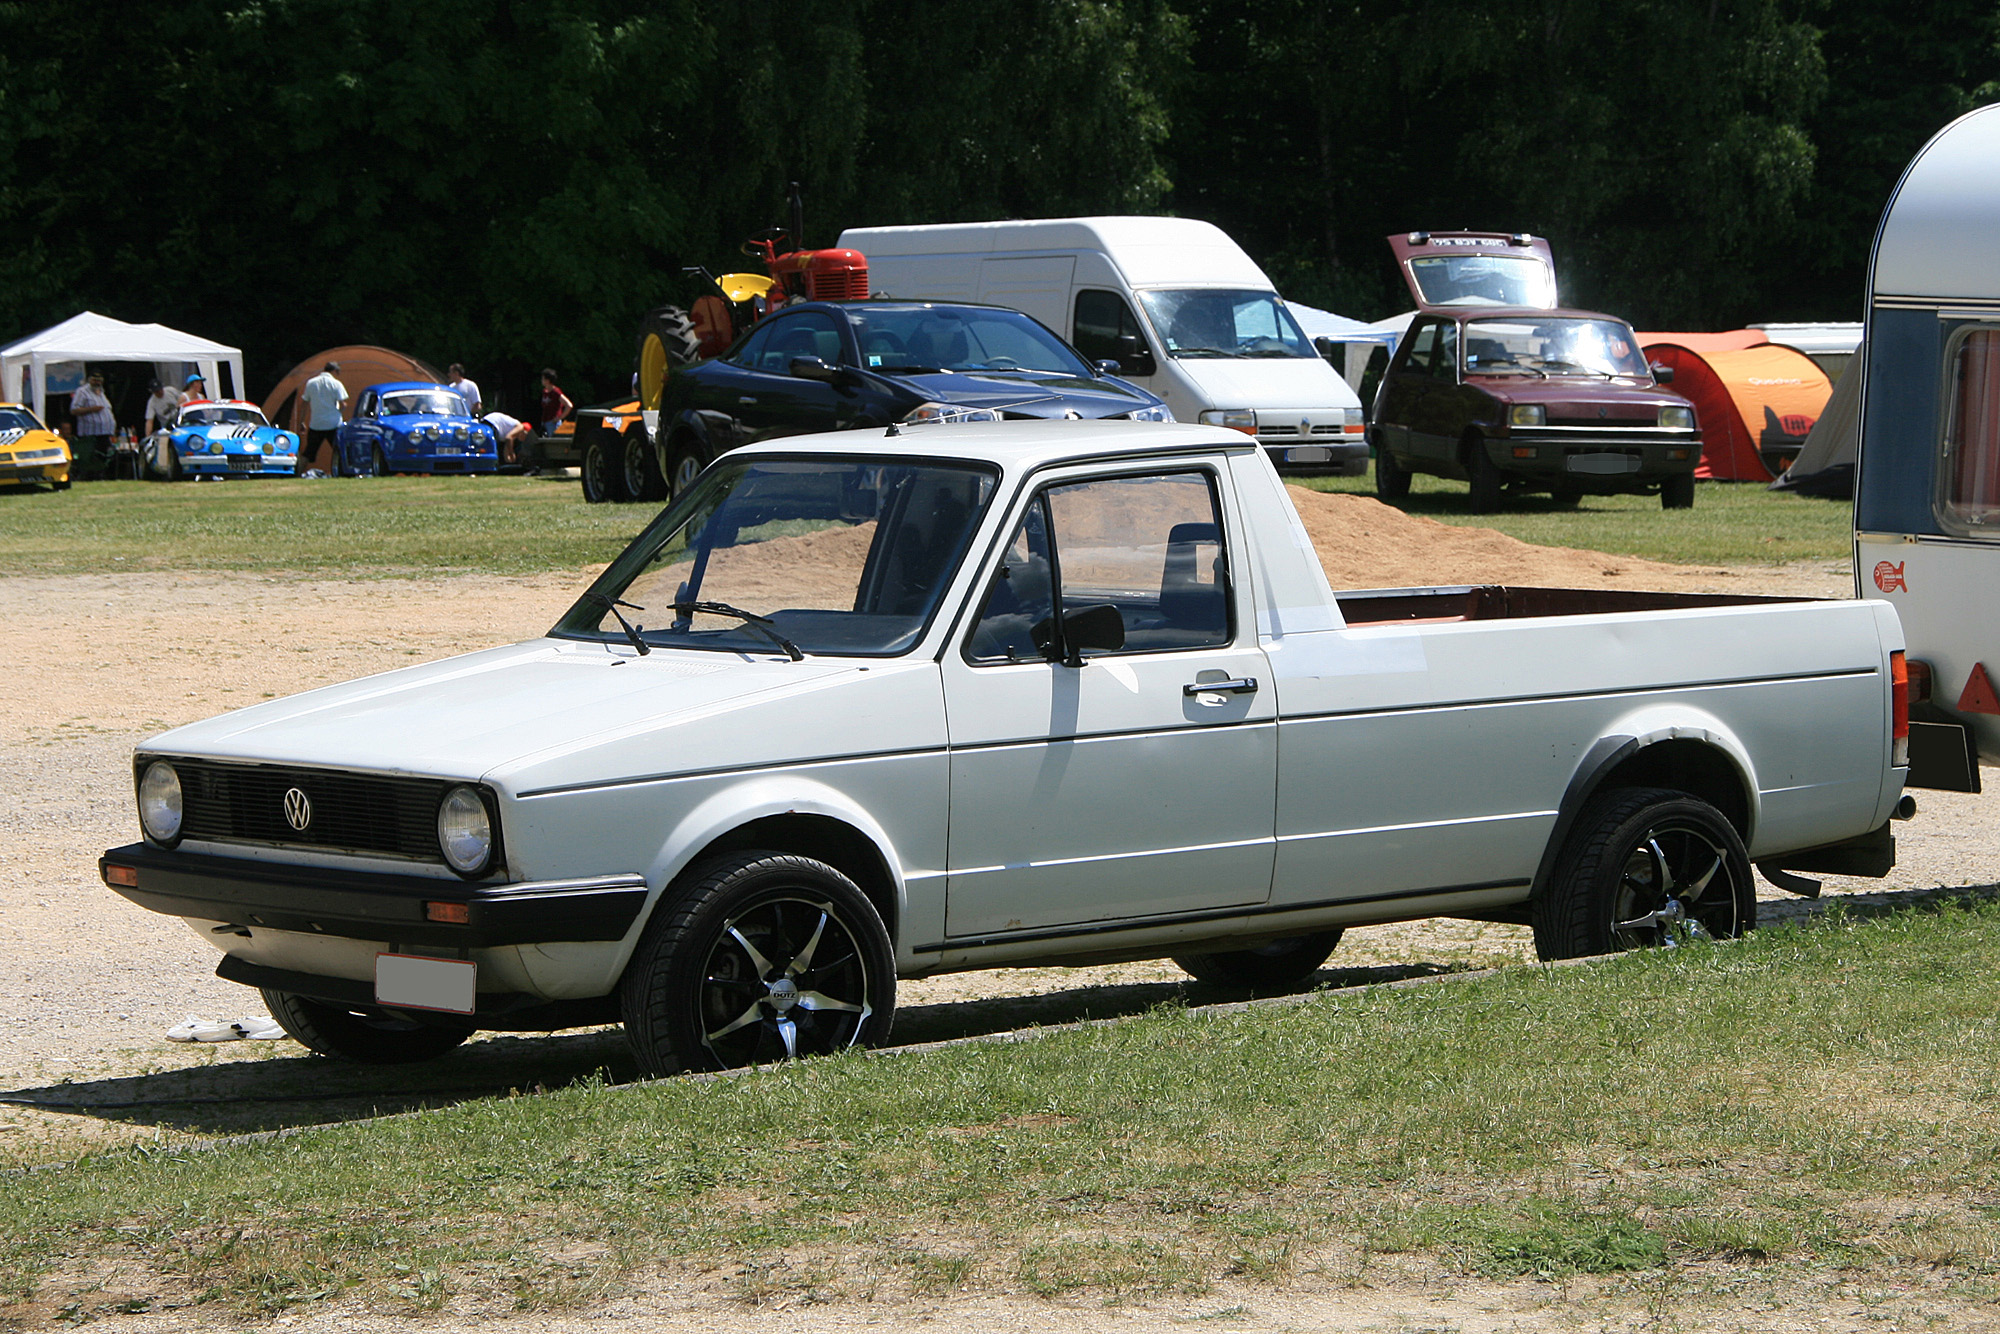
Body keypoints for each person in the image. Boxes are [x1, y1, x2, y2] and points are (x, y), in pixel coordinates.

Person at [299, 361, 347, 477]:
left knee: (308, 452)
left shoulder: (311, 383)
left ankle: (297, 473)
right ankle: (342, 473)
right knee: (338, 450)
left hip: (316, 424)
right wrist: (339, 412)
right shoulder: (336, 384)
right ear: (334, 371)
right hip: (333, 423)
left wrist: (301, 421)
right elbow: (343, 404)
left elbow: (305, 403)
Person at [67, 371, 115, 481]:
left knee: (105, 456)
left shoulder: (102, 393)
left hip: (105, 432)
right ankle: (91, 477)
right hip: (91, 434)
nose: (97, 382)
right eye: (94, 380)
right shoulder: (82, 392)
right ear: (89, 380)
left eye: (99, 380)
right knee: (93, 458)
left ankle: (102, 475)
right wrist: (91, 409)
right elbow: (74, 410)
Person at [539, 368, 572, 436]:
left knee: (554, 444)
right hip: (545, 422)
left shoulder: (556, 392)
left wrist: (560, 417)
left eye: (543, 379)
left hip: (553, 424)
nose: (541, 380)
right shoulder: (545, 391)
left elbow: (569, 405)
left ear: (547, 380)